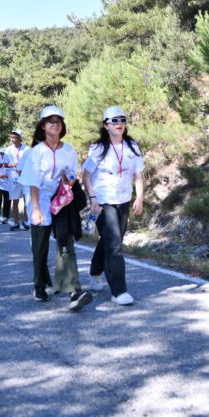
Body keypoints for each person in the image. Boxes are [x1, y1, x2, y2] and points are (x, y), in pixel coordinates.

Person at [19, 105, 92, 311]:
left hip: (60, 200)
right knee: (40, 245)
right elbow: (32, 182)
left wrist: (68, 181)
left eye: (58, 121)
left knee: (65, 242)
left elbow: (71, 175)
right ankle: (39, 285)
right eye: (50, 121)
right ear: (43, 126)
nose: (55, 124)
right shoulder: (36, 152)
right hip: (39, 199)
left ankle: (73, 290)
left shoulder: (68, 150)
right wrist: (35, 208)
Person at [81, 106, 146, 306]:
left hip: (123, 200)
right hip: (103, 200)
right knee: (114, 244)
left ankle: (94, 271)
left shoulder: (132, 147)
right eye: (115, 120)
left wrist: (140, 198)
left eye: (123, 120)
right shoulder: (98, 149)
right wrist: (92, 198)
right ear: (106, 125)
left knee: (110, 240)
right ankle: (118, 291)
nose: (119, 124)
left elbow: (138, 175)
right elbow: (86, 176)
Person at [1, 128, 29, 230]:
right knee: (15, 200)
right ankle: (16, 223)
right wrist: (12, 164)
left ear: (20, 138)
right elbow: (4, 164)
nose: (13, 139)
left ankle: (26, 222)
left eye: (15, 137)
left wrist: (24, 168)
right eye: (12, 137)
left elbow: (31, 163)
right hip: (13, 177)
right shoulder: (8, 149)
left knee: (27, 200)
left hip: (25, 177)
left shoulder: (27, 149)